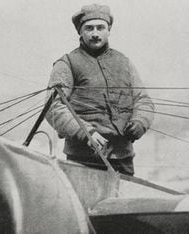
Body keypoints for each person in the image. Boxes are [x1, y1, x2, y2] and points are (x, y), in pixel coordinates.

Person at [46, 4, 154, 176]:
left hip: (122, 157)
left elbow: (143, 100)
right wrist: (86, 132)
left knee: (122, 202)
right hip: (83, 159)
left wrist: (140, 122)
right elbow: (53, 107)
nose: (95, 33)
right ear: (80, 32)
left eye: (100, 27)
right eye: (89, 28)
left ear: (108, 30)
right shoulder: (67, 63)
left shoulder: (124, 62)